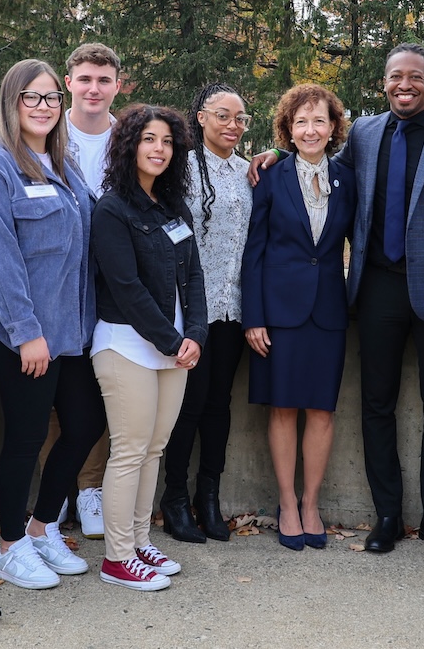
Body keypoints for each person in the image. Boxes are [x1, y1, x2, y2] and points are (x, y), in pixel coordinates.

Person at [255, 42, 424, 555]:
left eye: (415, 77)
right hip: (375, 287)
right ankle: (387, 515)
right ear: (384, 83)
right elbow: (317, 165)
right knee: (376, 404)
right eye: (395, 77)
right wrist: (274, 153)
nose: (404, 84)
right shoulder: (363, 133)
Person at [0, 59, 96, 591]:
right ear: (11, 102)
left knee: (86, 425)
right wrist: (26, 331)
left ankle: (42, 528)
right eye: (31, 97)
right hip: (23, 333)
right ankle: (9, 546)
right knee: (24, 439)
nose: (43, 107)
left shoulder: (65, 164)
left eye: (50, 98)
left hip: (73, 331)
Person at [90, 104, 207, 589]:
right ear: (130, 146)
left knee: (154, 449)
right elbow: (125, 286)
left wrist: (195, 335)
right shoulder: (112, 208)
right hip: (126, 345)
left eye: (167, 142)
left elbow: (195, 276)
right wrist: (171, 339)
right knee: (130, 450)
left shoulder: (173, 206)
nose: (159, 149)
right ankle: (117, 558)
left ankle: (139, 543)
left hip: (175, 348)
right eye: (149, 140)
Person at [243, 85, 357, 551]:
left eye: (319, 121)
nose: (310, 129)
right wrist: (254, 316)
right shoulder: (269, 176)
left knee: (322, 410)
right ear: (288, 130)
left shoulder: (348, 178)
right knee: (284, 408)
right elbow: (254, 250)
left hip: (328, 309)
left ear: (333, 128)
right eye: (301, 122)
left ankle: (312, 503)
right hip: (279, 311)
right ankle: (287, 504)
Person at [162, 83, 252, 544]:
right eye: (223, 115)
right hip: (190, 308)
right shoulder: (180, 170)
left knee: (220, 405)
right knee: (188, 406)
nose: (233, 126)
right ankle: (174, 498)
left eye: (240, 118)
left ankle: (208, 497)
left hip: (233, 308)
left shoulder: (247, 171)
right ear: (200, 117)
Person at [61, 43, 123, 540]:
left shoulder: (130, 137)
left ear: (117, 86)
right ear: (69, 83)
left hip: (112, 285)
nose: (94, 89)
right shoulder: (45, 136)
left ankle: (90, 488)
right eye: (85, 79)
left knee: (100, 391)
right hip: (57, 283)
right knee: (53, 392)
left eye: (103, 80)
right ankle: (58, 487)